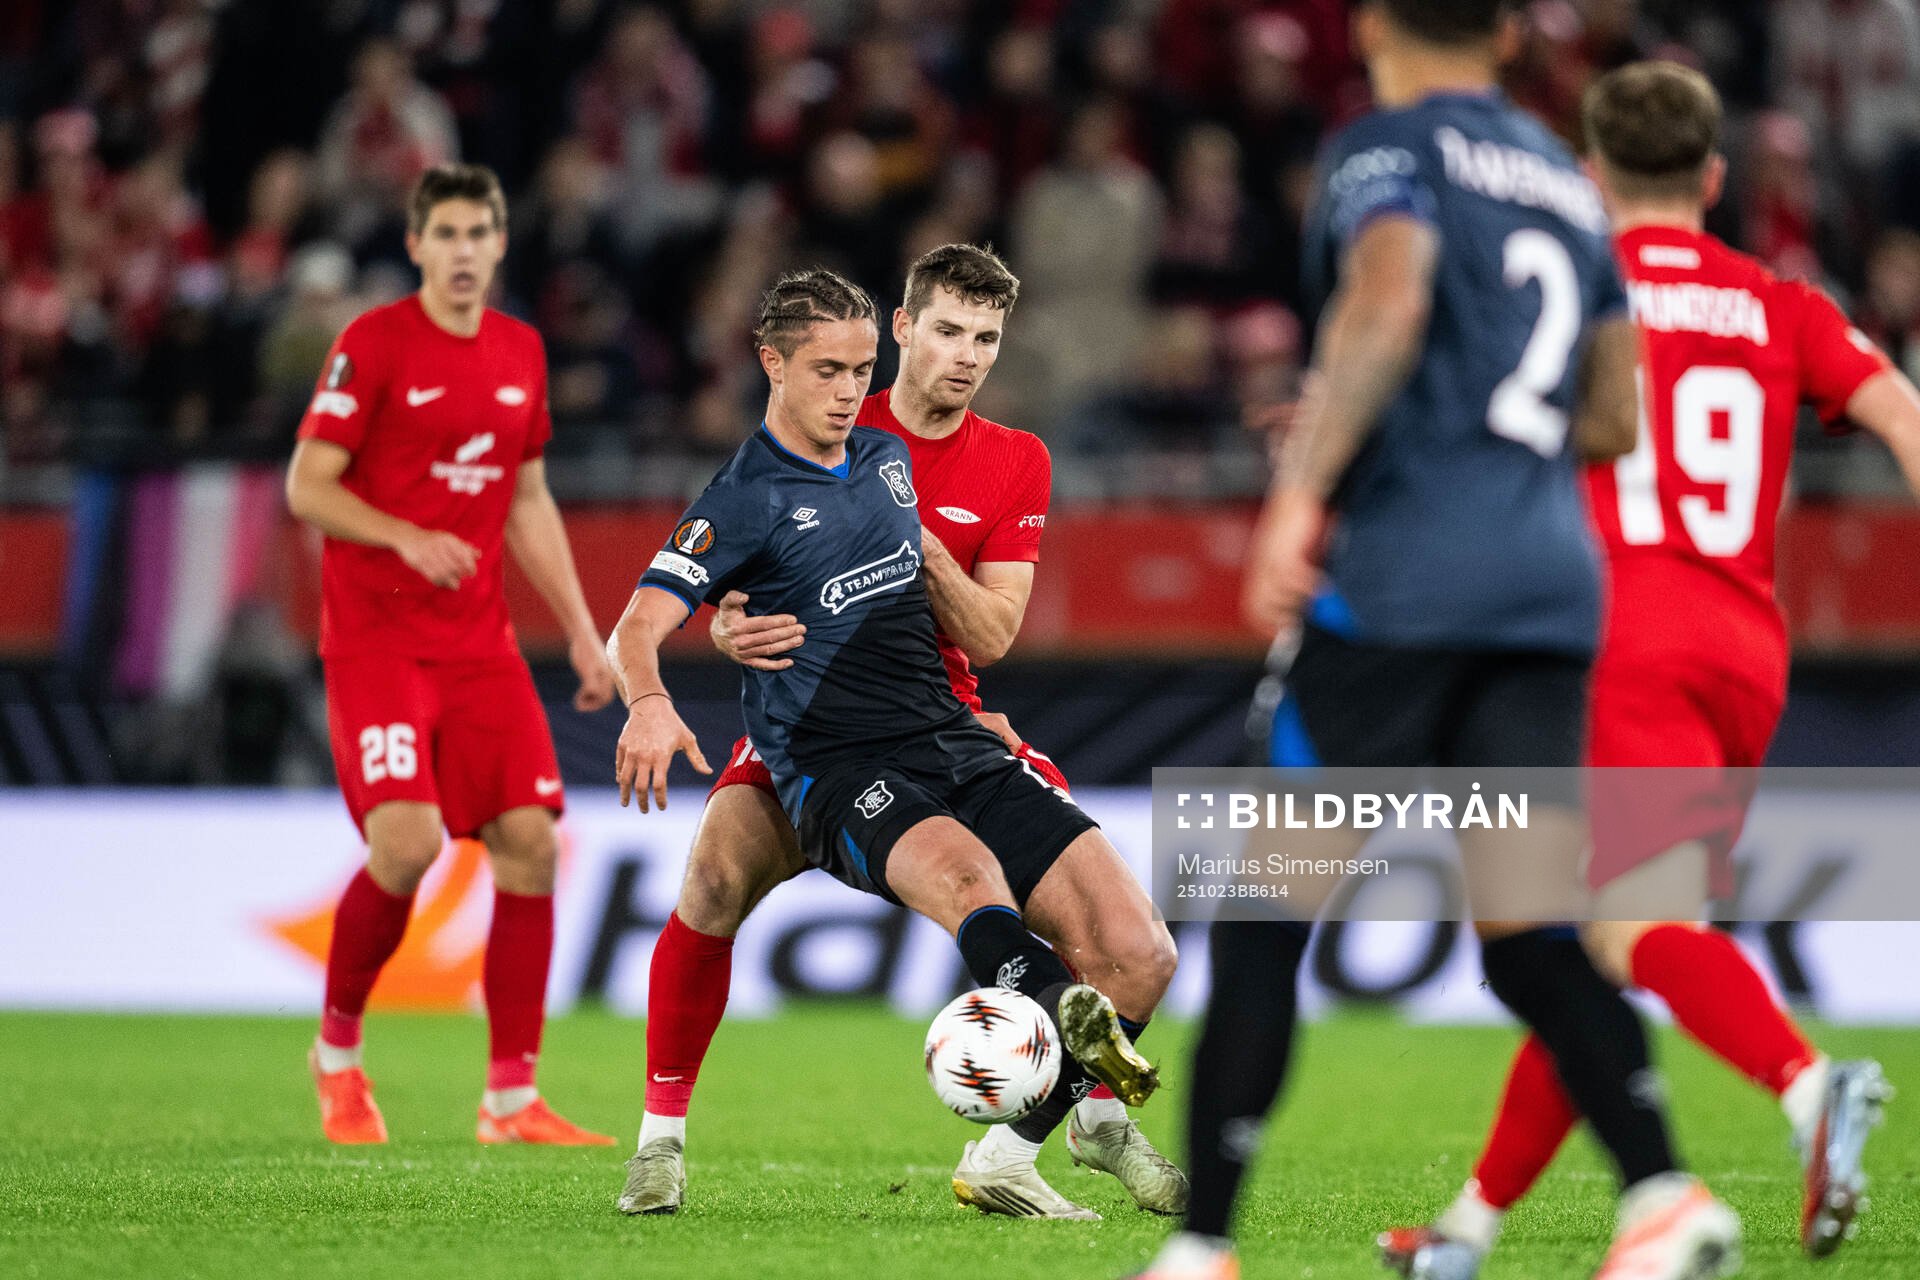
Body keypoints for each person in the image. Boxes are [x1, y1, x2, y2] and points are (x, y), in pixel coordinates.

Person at [1132, 4, 1737, 1279]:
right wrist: (1445, 428)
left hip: (1404, 589)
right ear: (1510, 34)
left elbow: (1390, 295)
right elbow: (1615, 412)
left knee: (1261, 915)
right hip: (1548, 593)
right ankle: (1666, 1191)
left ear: (1368, 26)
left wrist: (1306, 481)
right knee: (1530, 931)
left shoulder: (1385, 147)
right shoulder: (1571, 186)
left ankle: (1201, 1250)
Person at [1382, 61, 1913, 1280]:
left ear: (1589, 173)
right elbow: (1897, 415)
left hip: (1602, 632)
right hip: (1738, 646)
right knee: (1574, 938)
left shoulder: (1568, 288)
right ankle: (1466, 1230)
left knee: (1616, 928)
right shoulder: (1783, 300)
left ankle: (1807, 1083)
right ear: (1715, 178)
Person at [621, 245, 1185, 1220]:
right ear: (902, 329)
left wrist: (908, 536)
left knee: (1136, 948)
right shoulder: (828, 421)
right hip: (817, 735)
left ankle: (1027, 1143)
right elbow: (710, 575)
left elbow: (995, 633)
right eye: (950, 332)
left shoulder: (1012, 460)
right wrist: (718, 623)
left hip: (949, 719)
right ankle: (659, 1142)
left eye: (987, 339)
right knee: (713, 877)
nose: (966, 356)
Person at [286, 163, 615, 1147]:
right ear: (416, 245)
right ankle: (337, 1056)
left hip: (480, 646)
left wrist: (582, 626)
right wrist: (400, 534)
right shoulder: (374, 342)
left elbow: (526, 497)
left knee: (530, 845)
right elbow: (308, 482)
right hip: (380, 638)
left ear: (502, 244)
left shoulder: (521, 350)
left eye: (482, 232)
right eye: (449, 234)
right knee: (409, 843)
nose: (466, 251)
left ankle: (510, 1099)